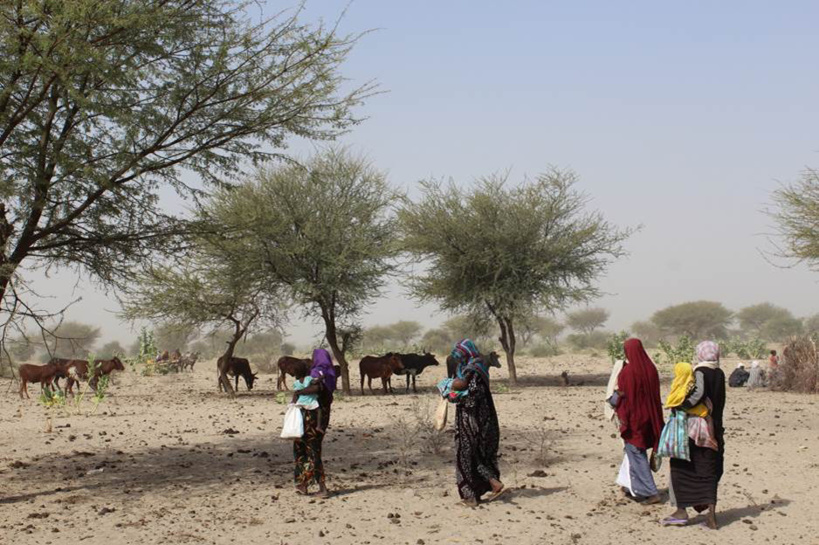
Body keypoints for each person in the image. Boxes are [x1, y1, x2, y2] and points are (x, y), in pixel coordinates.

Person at [662, 341, 726, 529]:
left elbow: (698, 395)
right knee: (709, 470)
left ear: (700, 354)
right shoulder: (719, 373)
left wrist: (680, 405)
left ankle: (681, 511)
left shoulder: (700, 372)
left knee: (681, 467)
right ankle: (711, 515)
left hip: (695, 430)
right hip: (716, 427)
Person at [449, 339, 504, 507]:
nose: (459, 361)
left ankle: (470, 496)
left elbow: (472, 396)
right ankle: (493, 483)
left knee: (465, 454)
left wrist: (452, 394)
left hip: (473, 419)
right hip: (483, 418)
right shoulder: (476, 367)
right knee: (476, 453)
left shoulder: (473, 370)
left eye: (460, 357)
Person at [609, 338, 664, 504]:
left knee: (636, 453)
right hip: (651, 417)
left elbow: (625, 398)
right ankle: (626, 485)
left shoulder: (627, 372)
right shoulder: (651, 369)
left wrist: (616, 401)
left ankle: (651, 492)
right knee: (633, 453)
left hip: (635, 420)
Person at [291, 349, 336, 498]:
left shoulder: (316, 371)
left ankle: (320, 487)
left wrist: (299, 392)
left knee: (305, 450)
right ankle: (304, 483)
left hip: (309, 417)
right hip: (321, 418)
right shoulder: (331, 373)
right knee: (312, 450)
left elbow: (316, 388)